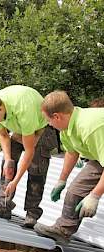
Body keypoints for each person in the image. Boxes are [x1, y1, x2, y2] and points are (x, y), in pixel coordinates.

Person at [0, 85, 58, 228]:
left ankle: (31, 214)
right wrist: (8, 159)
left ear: (1, 109)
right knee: (7, 166)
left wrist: (16, 182)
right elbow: (3, 134)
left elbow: (29, 151)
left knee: (36, 170)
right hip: (20, 128)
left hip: (40, 129)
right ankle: (4, 207)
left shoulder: (24, 109)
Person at [34, 91, 104, 243]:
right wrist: (62, 180)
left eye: (49, 121)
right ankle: (63, 230)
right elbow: (72, 153)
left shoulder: (90, 127)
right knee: (74, 191)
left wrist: (94, 195)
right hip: (99, 159)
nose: (49, 125)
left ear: (57, 116)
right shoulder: (66, 129)